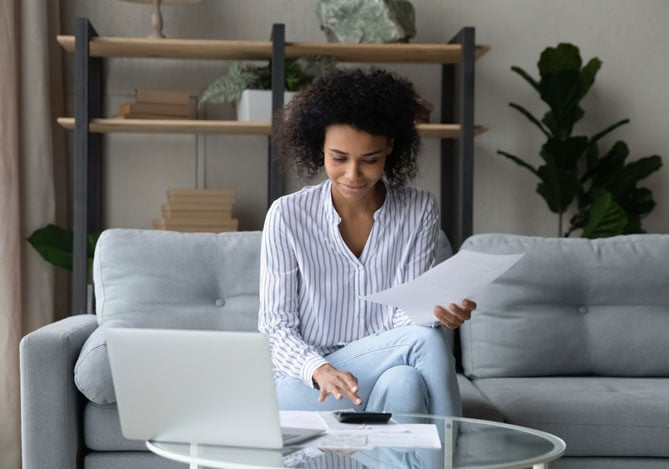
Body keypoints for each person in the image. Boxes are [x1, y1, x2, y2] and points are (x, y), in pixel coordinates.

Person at [258, 67, 476, 417]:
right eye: (339, 158)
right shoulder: (287, 215)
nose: (353, 175)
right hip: (306, 384)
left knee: (406, 381)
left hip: (385, 368)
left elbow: (407, 318)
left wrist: (435, 312)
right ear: (320, 148)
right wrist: (319, 369)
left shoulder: (419, 209)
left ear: (390, 146)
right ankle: (452, 449)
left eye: (369, 160)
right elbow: (275, 328)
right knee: (426, 342)